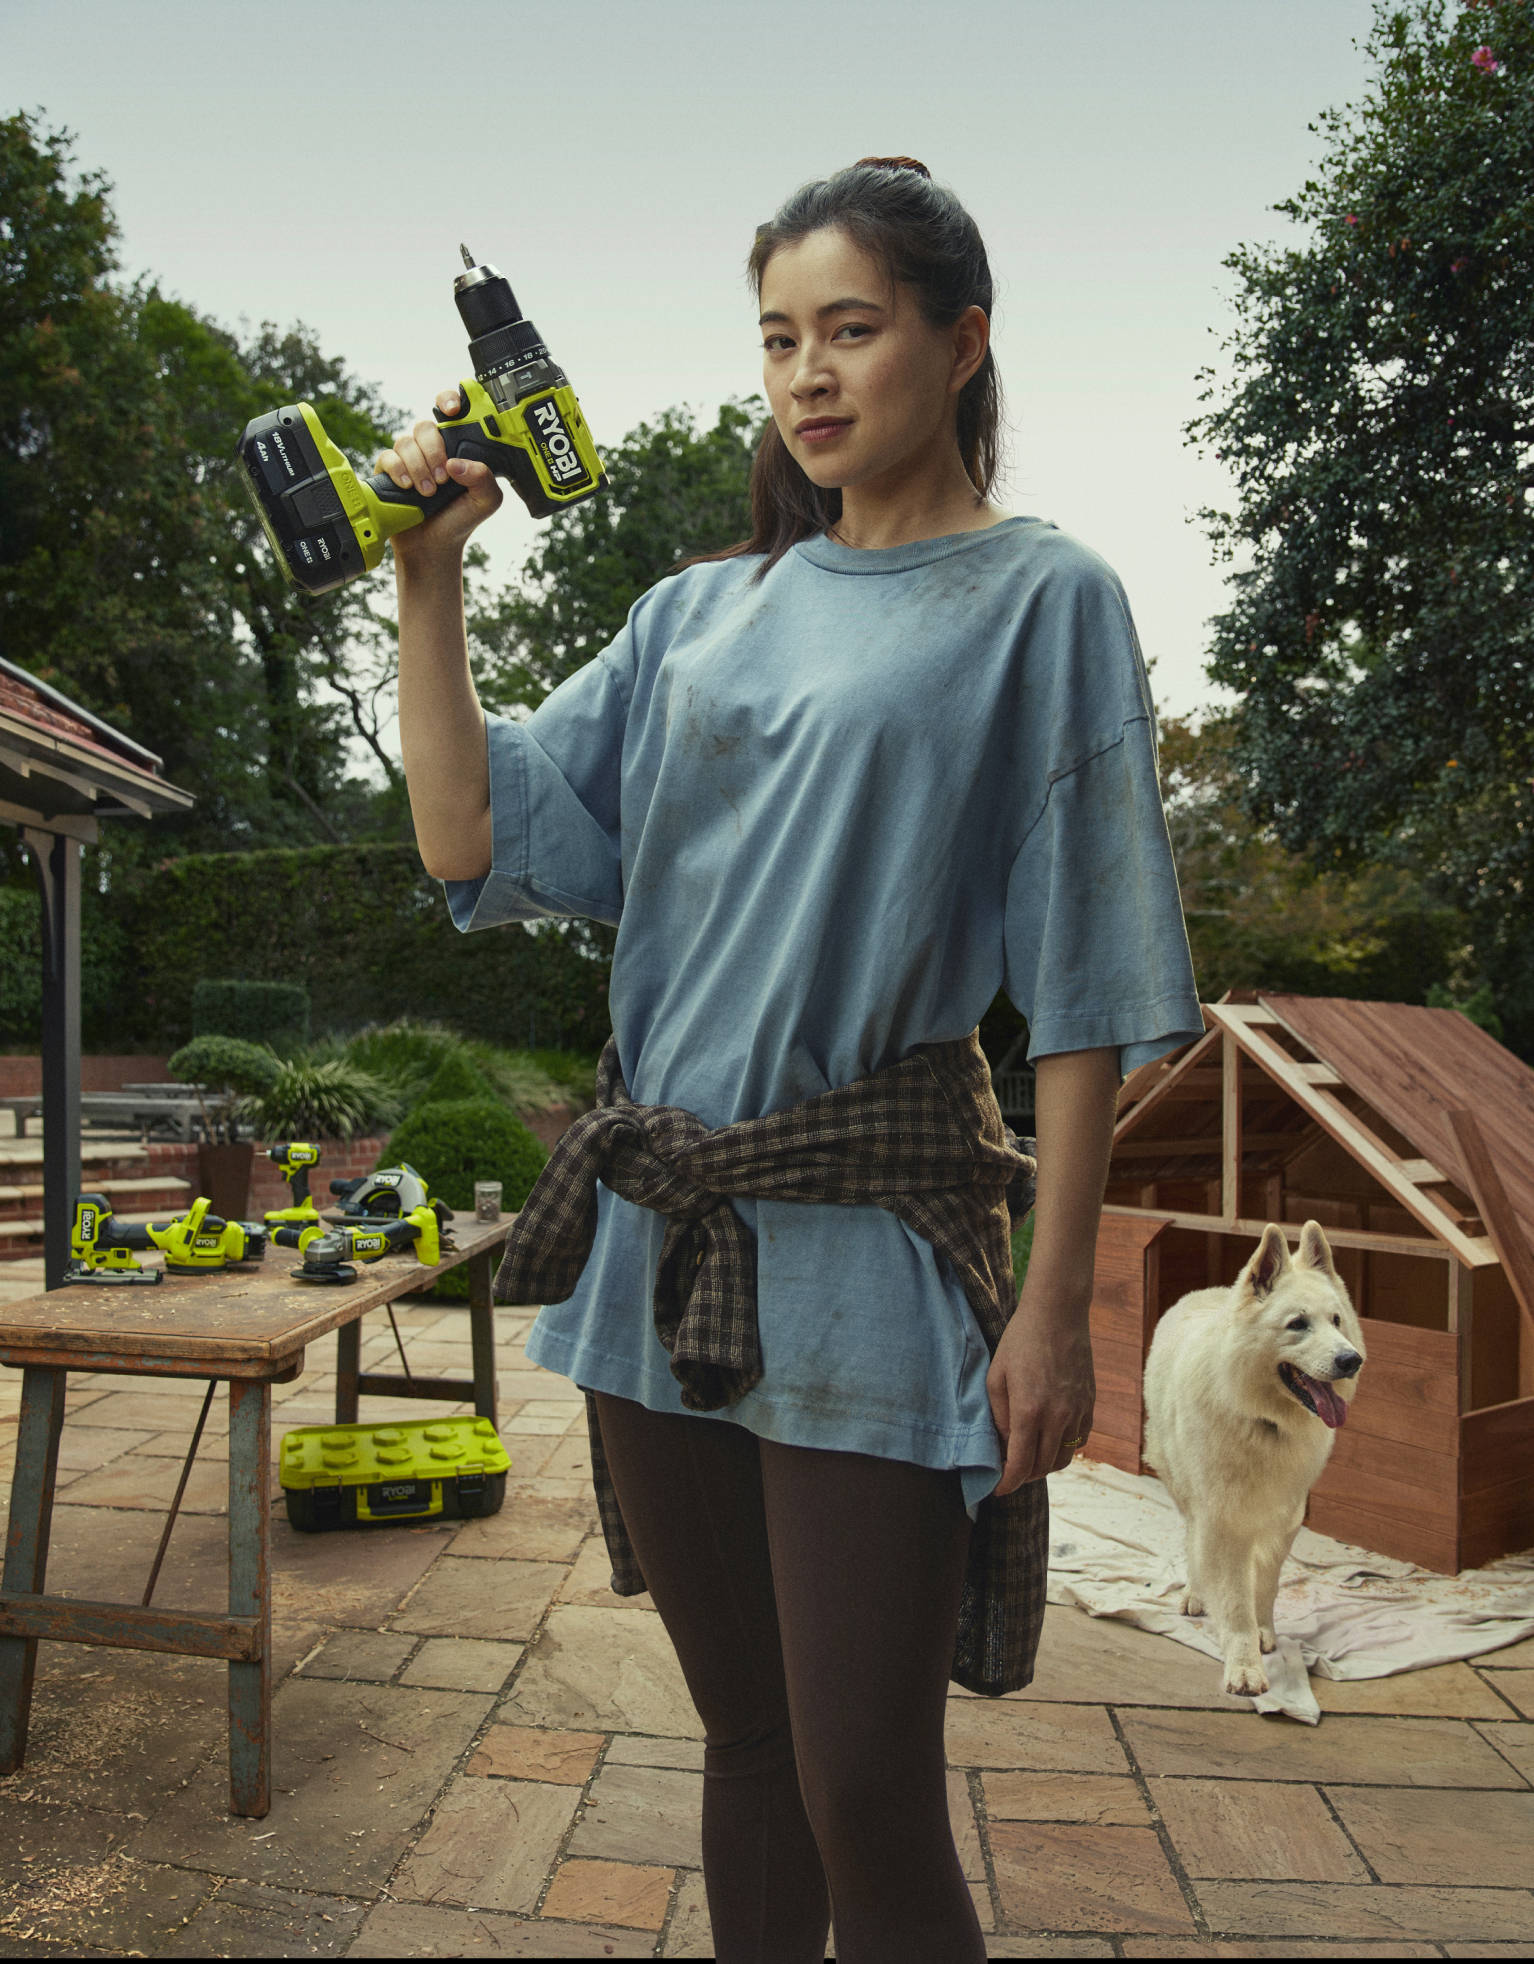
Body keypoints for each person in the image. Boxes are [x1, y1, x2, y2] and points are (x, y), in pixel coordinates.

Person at [385, 158, 1201, 1964]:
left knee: (863, 1789)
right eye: (777, 340)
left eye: (850, 328)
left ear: (959, 340)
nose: (807, 376)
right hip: (660, 1239)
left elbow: (1082, 985)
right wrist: (426, 587)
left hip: (861, 1247)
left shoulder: (1038, 600)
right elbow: (468, 838)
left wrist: (1053, 1306)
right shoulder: (696, 616)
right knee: (746, 1752)